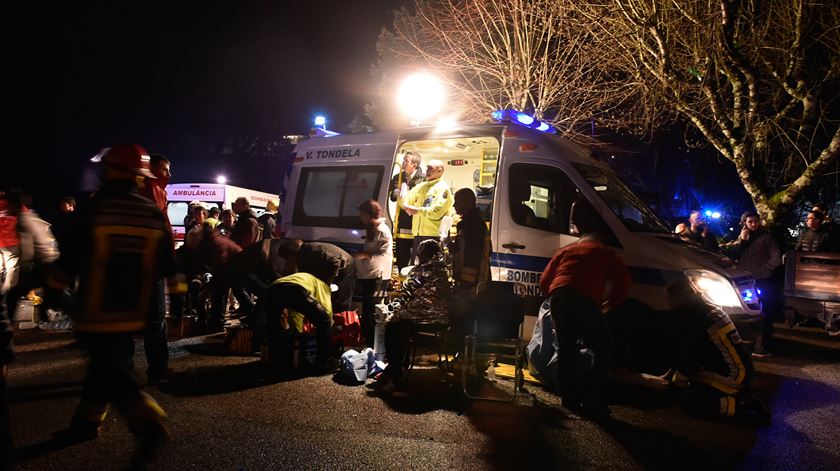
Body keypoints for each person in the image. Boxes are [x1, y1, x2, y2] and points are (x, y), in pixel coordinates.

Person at [45, 144, 179, 466]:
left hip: (97, 305)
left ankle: (148, 424)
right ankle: (86, 423)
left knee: (112, 369)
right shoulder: (150, 212)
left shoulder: (96, 207)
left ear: (114, 171)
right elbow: (169, 264)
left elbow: (72, 255)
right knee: (105, 363)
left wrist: (54, 289)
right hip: (135, 308)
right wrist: (178, 297)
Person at [539, 233, 632, 418]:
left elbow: (545, 279)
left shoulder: (565, 250)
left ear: (581, 241)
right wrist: (611, 304)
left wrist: (551, 299)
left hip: (559, 296)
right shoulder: (605, 252)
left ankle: (569, 399)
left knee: (566, 349)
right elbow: (623, 281)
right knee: (604, 348)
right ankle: (593, 400)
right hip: (584, 300)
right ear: (598, 241)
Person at [1, 188, 59, 466]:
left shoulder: (26, 219)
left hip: (44, 267)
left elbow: (42, 249)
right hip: (39, 269)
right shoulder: (25, 218)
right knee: (13, 299)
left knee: (18, 297)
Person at [666, 279, 768, 420]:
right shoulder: (704, 309)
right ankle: (735, 395)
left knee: (690, 403)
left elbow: (692, 356)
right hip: (733, 368)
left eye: (671, 298)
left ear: (683, 297)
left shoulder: (693, 317)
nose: (669, 303)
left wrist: (676, 384)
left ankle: (742, 405)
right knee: (691, 390)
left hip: (733, 373)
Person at [368, 240, 452, 392]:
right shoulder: (445, 271)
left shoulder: (418, 270)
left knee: (393, 327)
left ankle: (395, 370)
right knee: (400, 327)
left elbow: (406, 296)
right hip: (442, 320)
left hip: (420, 318)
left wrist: (396, 310)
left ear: (422, 255)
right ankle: (400, 365)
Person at [263, 262, 337, 374]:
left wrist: (297, 332)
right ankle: (323, 363)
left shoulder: (305, 277)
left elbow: (295, 312)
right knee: (324, 321)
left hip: (271, 289)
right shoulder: (323, 286)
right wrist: (329, 329)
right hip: (294, 289)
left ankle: (277, 363)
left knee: (275, 328)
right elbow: (326, 314)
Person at [727, 211, 782, 358]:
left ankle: (762, 345)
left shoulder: (766, 237)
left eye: (755, 221)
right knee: (747, 312)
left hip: (762, 280)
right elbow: (734, 255)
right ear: (744, 223)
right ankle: (750, 345)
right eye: (750, 222)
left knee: (763, 312)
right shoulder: (743, 237)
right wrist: (743, 241)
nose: (753, 224)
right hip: (744, 280)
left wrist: (763, 269)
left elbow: (776, 257)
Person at [140, 153, 174, 383]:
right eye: (164, 169)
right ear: (151, 169)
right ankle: (158, 368)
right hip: (151, 263)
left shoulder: (152, 189)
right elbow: (159, 229)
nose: (169, 175)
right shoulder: (153, 190)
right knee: (155, 316)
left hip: (141, 262)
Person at [353, 200, 393, 346]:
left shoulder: (381, 230)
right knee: (368, 309)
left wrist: (365, 255)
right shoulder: (373, 229)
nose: (360, 217)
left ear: (368, 214)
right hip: (368, 274)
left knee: (372, 311)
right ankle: (368, 341)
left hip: (377, 276)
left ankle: (372, 343)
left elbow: (384, 254)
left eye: (362, 214)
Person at [402, 159, 453, 265]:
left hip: (434, 237)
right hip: (418, 236)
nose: (427, 170)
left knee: (431, 271)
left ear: (440, 171)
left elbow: (436, 212)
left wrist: (417, 211)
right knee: (416, 270)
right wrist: (406, 204)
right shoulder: (422, 187)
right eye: (427, 168)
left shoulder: (443, 189)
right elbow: (407, 198)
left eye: (431, 168)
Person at [389, 151, 425, 270]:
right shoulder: (397, 177)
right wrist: (394, 194)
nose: (403, 163)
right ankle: (401, 281)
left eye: (406, 161)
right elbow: (392, 198)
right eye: (403, 160)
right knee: (401, 256)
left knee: (416, 259)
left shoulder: (424, 179)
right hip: (402, 223)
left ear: (414, 164)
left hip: (418, 225)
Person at [297, 242, 355, 313]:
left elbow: (335, 262)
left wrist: (328, 283)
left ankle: (343, 319)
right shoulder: (303, 256)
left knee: (342, 299)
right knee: (328, 296)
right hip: (330, 268)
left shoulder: (312, 251)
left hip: (346, 266)